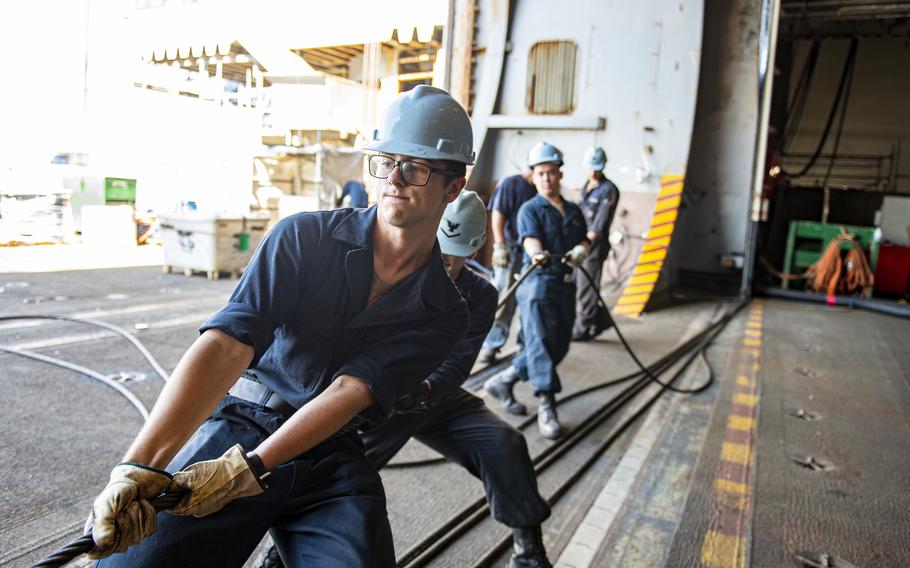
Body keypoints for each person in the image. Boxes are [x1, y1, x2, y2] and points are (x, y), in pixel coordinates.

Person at [85, 85, 473, 567]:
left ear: (453, 187)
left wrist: (249, 471)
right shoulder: (304, 238)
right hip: (243, 423)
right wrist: (137, 467)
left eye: (414, 167)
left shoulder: (446, 311)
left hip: (329, 453)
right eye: (385, 161)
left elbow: (349, 391)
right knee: (135, 564)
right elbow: (228, 345)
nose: (393, 178)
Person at [257, 191, 553, 568]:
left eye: (448, 260)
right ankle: (279, 556)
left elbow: (458, 363)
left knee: (504, 444)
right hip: (371, 399)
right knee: (328, 470)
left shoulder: (480, 295)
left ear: (473, 252)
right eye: (435, 250)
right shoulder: (391, 272)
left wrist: (424, 390)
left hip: (431, 396)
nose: (436, 263)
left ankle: (529, 550)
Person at [484, 142, 589, 439]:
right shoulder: (530, 209)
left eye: (552, 172)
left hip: (565, 284)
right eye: (541, 173)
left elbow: (586, 238)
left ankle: (504, 380)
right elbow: (529, 237)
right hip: (537, 285)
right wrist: (536, 253)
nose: (546, 178)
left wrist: (582, 249)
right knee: (541, 342)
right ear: (534, 175)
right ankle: (546, 403)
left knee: (559, 344)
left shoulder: (573, 210)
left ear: (560, 174)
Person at [477, 164, 537, 365]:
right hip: (511, 250)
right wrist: (500, 246)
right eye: (541, 172)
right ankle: (491, 345)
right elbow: (497, 214)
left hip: (531, 254)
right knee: (503, 298)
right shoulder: (512, 183)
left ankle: (523, 347)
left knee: (528, 300)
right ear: (532, 169)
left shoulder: (539, 188)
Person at [572, 146, 620, 341]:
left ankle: (583, 329)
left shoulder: (609, 190)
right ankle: (599, 321)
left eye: (597, 168)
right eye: (591, 168)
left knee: (587, 289)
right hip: (580, 243)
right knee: (576, 285)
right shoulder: (586, 186)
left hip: (592, 246)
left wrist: (584, 245)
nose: (593, 172)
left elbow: (599, 225)